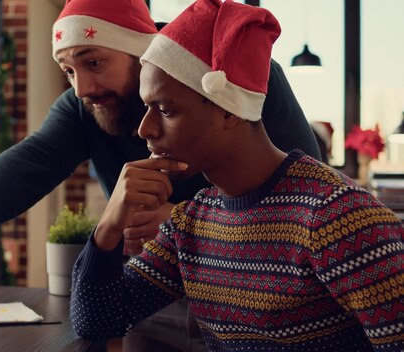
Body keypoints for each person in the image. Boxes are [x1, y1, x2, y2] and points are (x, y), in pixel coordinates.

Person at [0, 0, 320, 350]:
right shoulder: (86, 108)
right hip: (151, 293)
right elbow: (34, 158)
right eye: (69, 71)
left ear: (141, 52)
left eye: (94, 62)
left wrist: (190, 220)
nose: (82, 88)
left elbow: (303, 178)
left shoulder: (232, 81)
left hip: (257, 294)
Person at [69, 0, 404, 351]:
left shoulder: (337, 217)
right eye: (147, 107)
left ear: (228, 110)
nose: (144, 129)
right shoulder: (193, 221)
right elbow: (99, 321)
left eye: (165, 110)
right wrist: (108, 228)